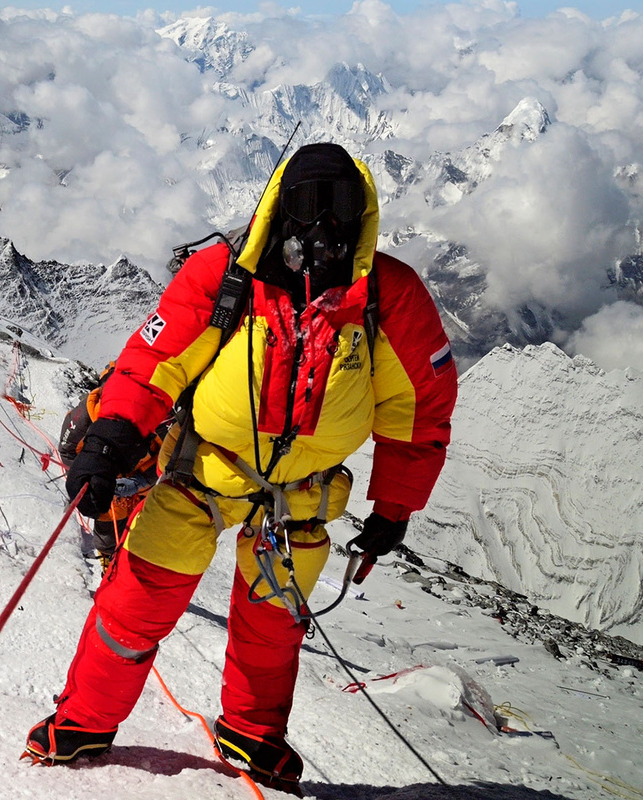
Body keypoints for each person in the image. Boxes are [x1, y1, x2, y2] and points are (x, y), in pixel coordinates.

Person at [23, 142, 458, 795]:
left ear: (361, 213)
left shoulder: (388, 297)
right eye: (308, 206)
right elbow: (152, 364)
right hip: (205, 469)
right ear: (280, 206)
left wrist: (395, 506)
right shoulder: (224, 276)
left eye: (337, 208)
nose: (321, 226)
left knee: (272, 622)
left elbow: (420, 410)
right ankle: (84, 719)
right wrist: (109, 439)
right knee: (137, 597)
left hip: (301, 494)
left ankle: (252, 733)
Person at [57, 363, 170, 574]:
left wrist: (141, 481)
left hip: (145, 489)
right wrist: (89, 476)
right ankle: (109, 563)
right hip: (109, 486)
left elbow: (171, 458)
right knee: (108, 524)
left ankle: (129, 568)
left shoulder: (159, 417)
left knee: (143, 533)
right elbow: (67, 452)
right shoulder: (83, 416)